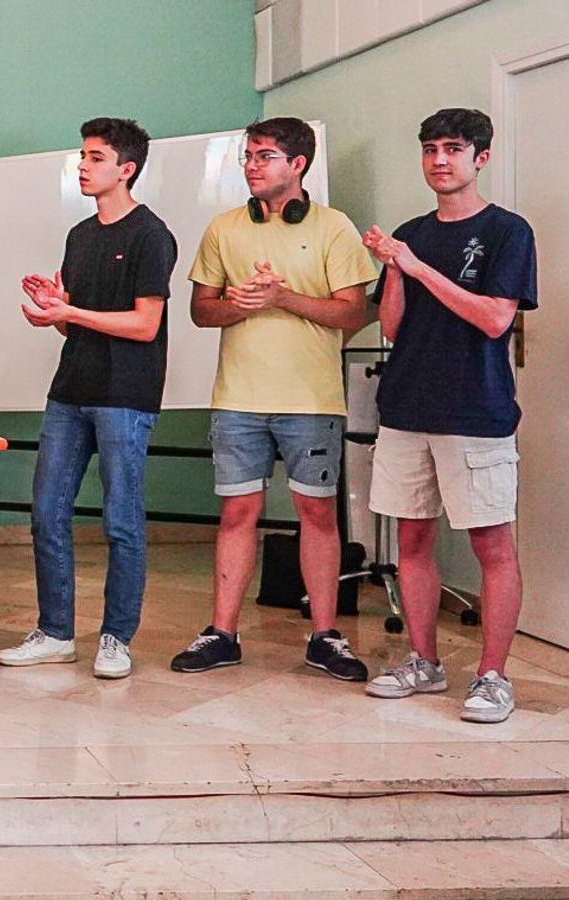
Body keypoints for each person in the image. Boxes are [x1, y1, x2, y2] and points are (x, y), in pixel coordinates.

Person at [173, 117, 378, 681]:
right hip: (238, 397)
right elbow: (201, 311)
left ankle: (325, 635)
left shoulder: (334, 227)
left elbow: (352, 314)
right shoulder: (224, 228)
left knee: (317, 514)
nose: (251, 166)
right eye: (248, 156)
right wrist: (238, 304)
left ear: (298, 164)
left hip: (311, 400)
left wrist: (283, 297)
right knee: (238, 512)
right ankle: (222, 633)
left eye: (264, 156)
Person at [362, 108, 537, 723]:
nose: (440, 160)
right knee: (412, 538)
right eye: (431, 148)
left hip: (475, 411)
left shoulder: (507, 231)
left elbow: (494, 319)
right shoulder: (411, 233)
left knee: (492, 543)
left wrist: (418, 267)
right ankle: (424, 661)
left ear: (480, 158)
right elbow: (391, 328)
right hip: (407, 408)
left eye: (454, 148)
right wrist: (394, 268)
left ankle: (492, 676)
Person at [0, 118, 178, 679]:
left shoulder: (151, 235)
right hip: (70, 390)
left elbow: (145, 325)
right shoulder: (80, 235)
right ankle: (55, 632)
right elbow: (73, 325)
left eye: (96, 157)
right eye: (82, 155)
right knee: (47, 514)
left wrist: (71, 310)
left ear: (126, 169)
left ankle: (116, 638)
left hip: (126, 395)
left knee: (121, 521)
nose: (83, 165)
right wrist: (55, 308)